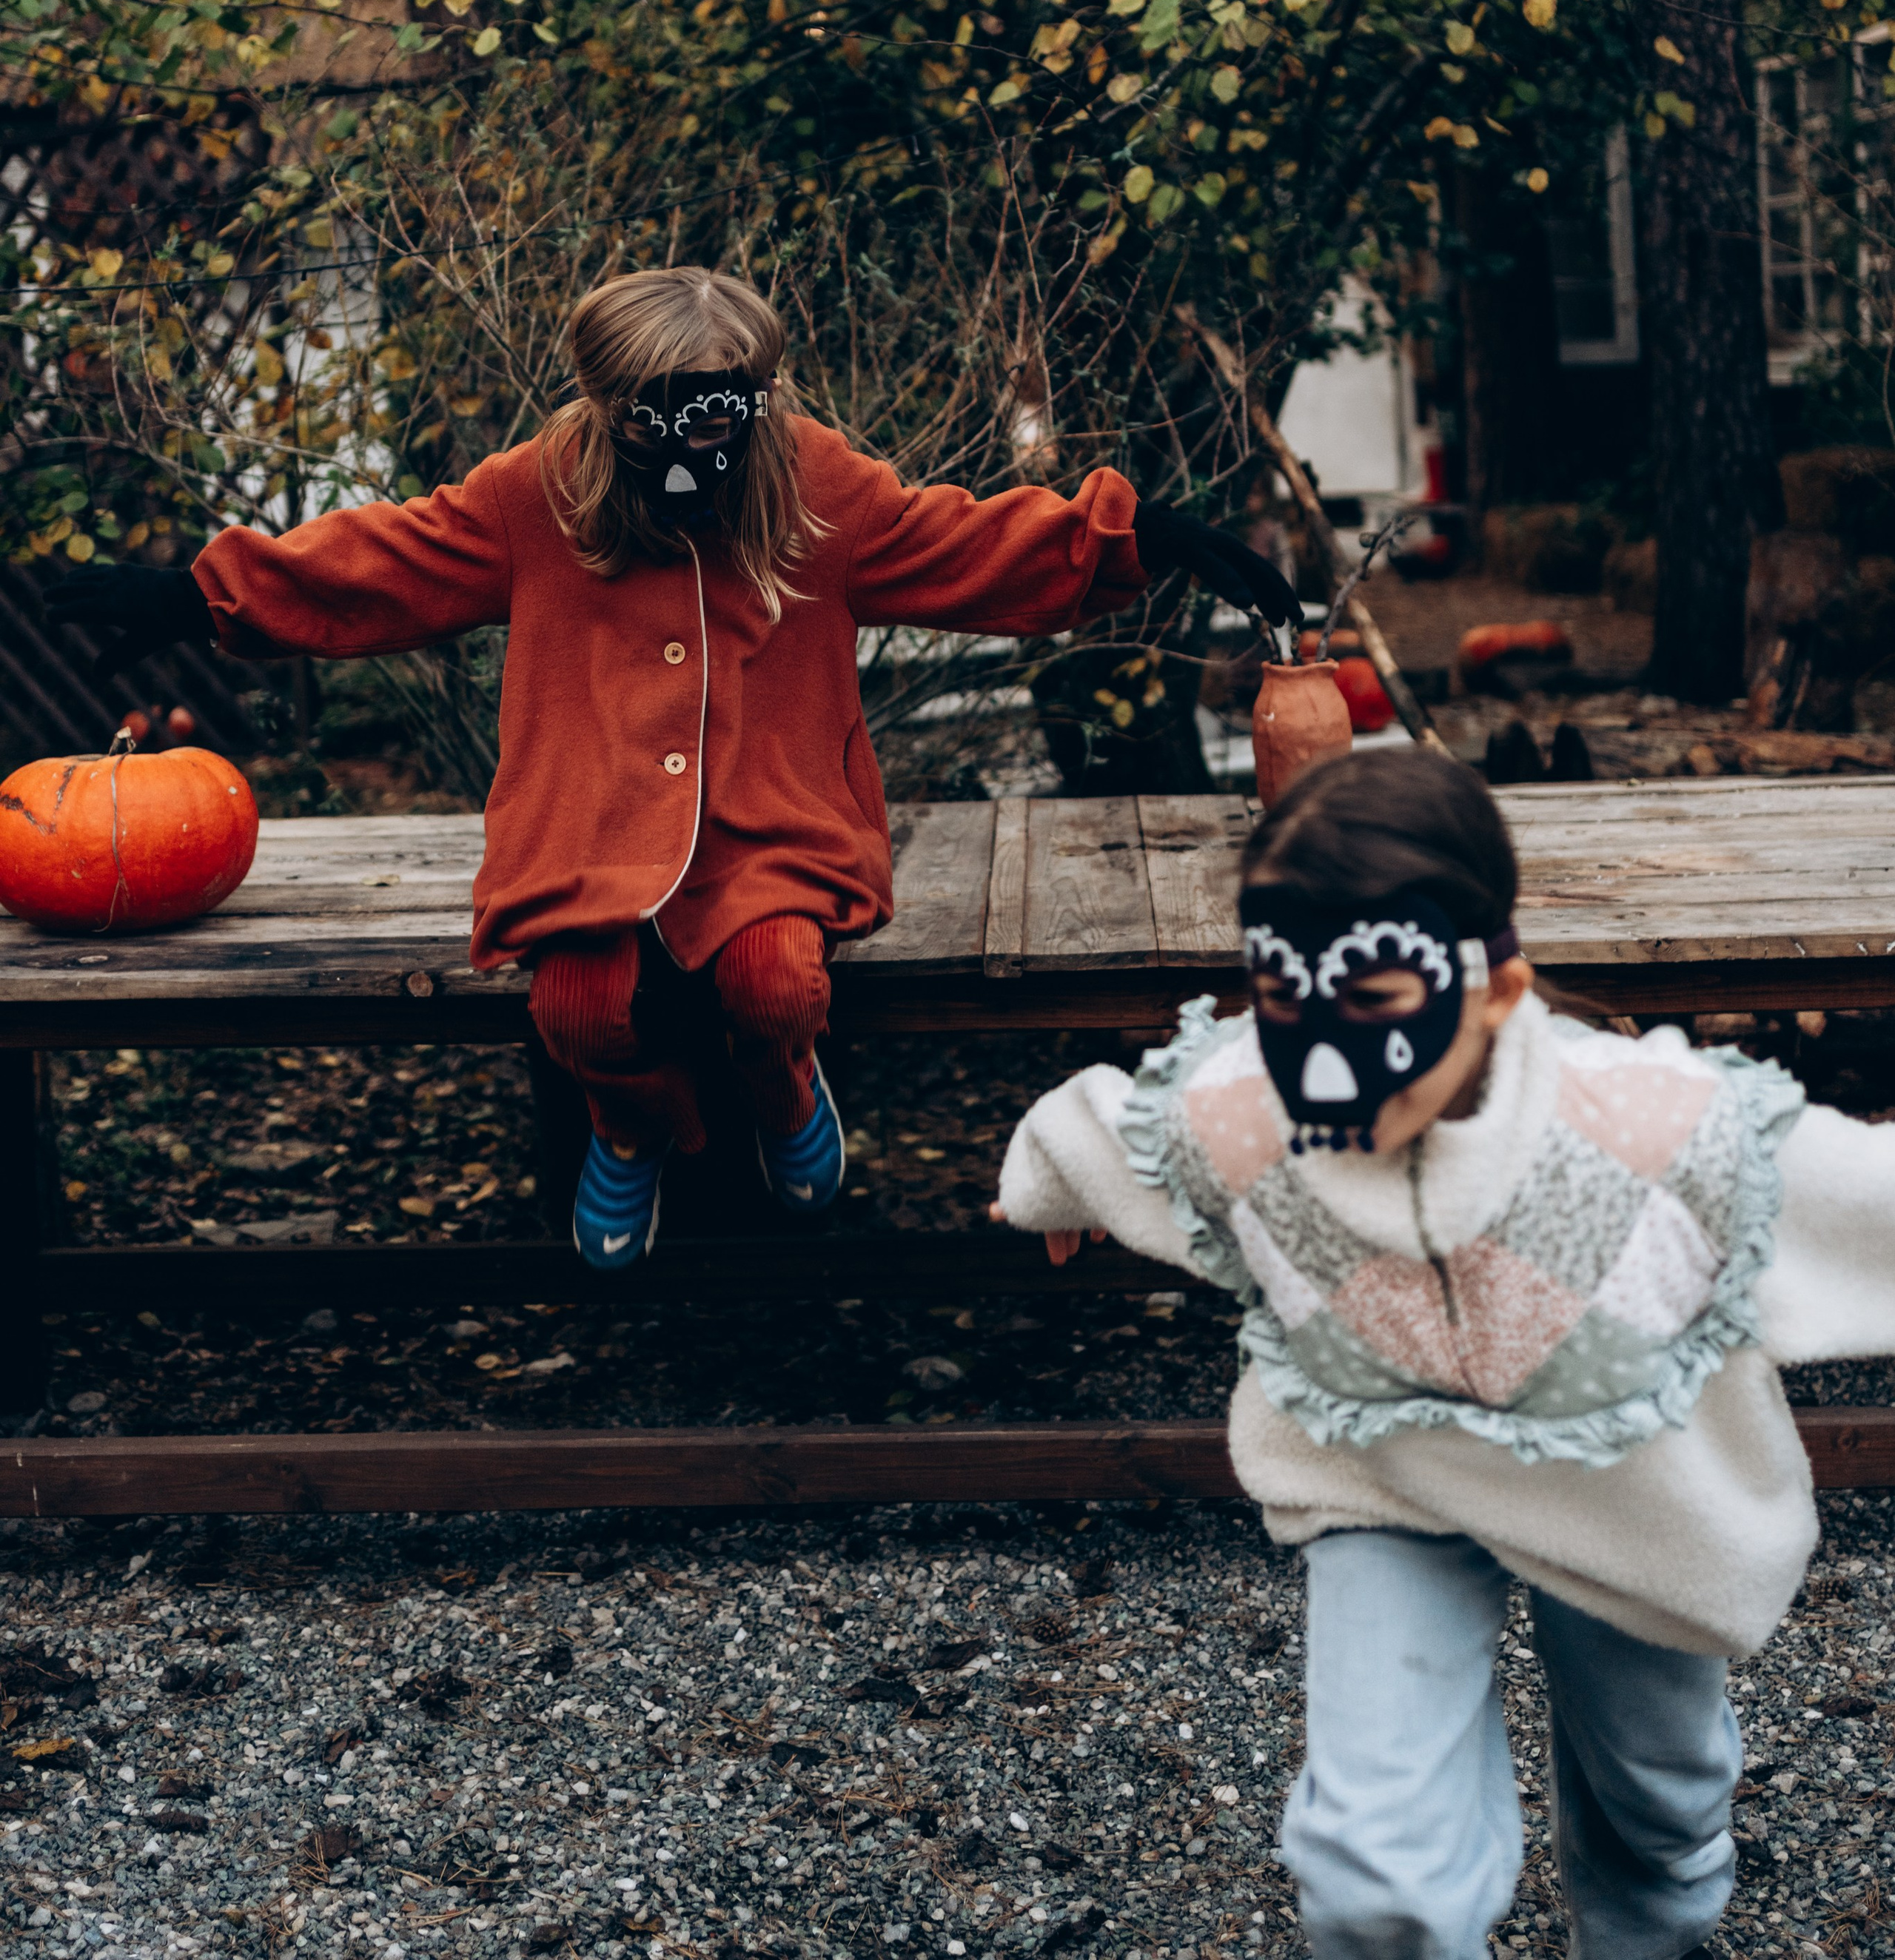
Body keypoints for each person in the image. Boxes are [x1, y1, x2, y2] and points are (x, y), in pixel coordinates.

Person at [47, 264, 1298, 1272]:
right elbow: (388, 561)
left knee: (776, 982)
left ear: (757, 398)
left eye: (718, 411)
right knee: (578, 1009)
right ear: (608, 405)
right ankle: (636, 1124)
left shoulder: (811, 488)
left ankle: (787, 1095)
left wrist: (1139, 540)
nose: (692, 440)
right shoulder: (539, 496)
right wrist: (199, 597)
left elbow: (963, 543)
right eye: (658, 416)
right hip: (588, 825)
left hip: (771, 825)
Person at [993, 746, 1895, 1960]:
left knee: (1662, 1799)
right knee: (1376, 1874)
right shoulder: (1248, 1112)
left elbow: (1863, 1193)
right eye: (1287, 1001)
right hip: (1386, 1474)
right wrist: (1041, 1185)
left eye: (1376, 1001)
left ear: (1495, 989)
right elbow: (1114, 1122)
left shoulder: (1661, 1137)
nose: (1325, 1052)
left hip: (1630, 1496)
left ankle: (1655, 1933)